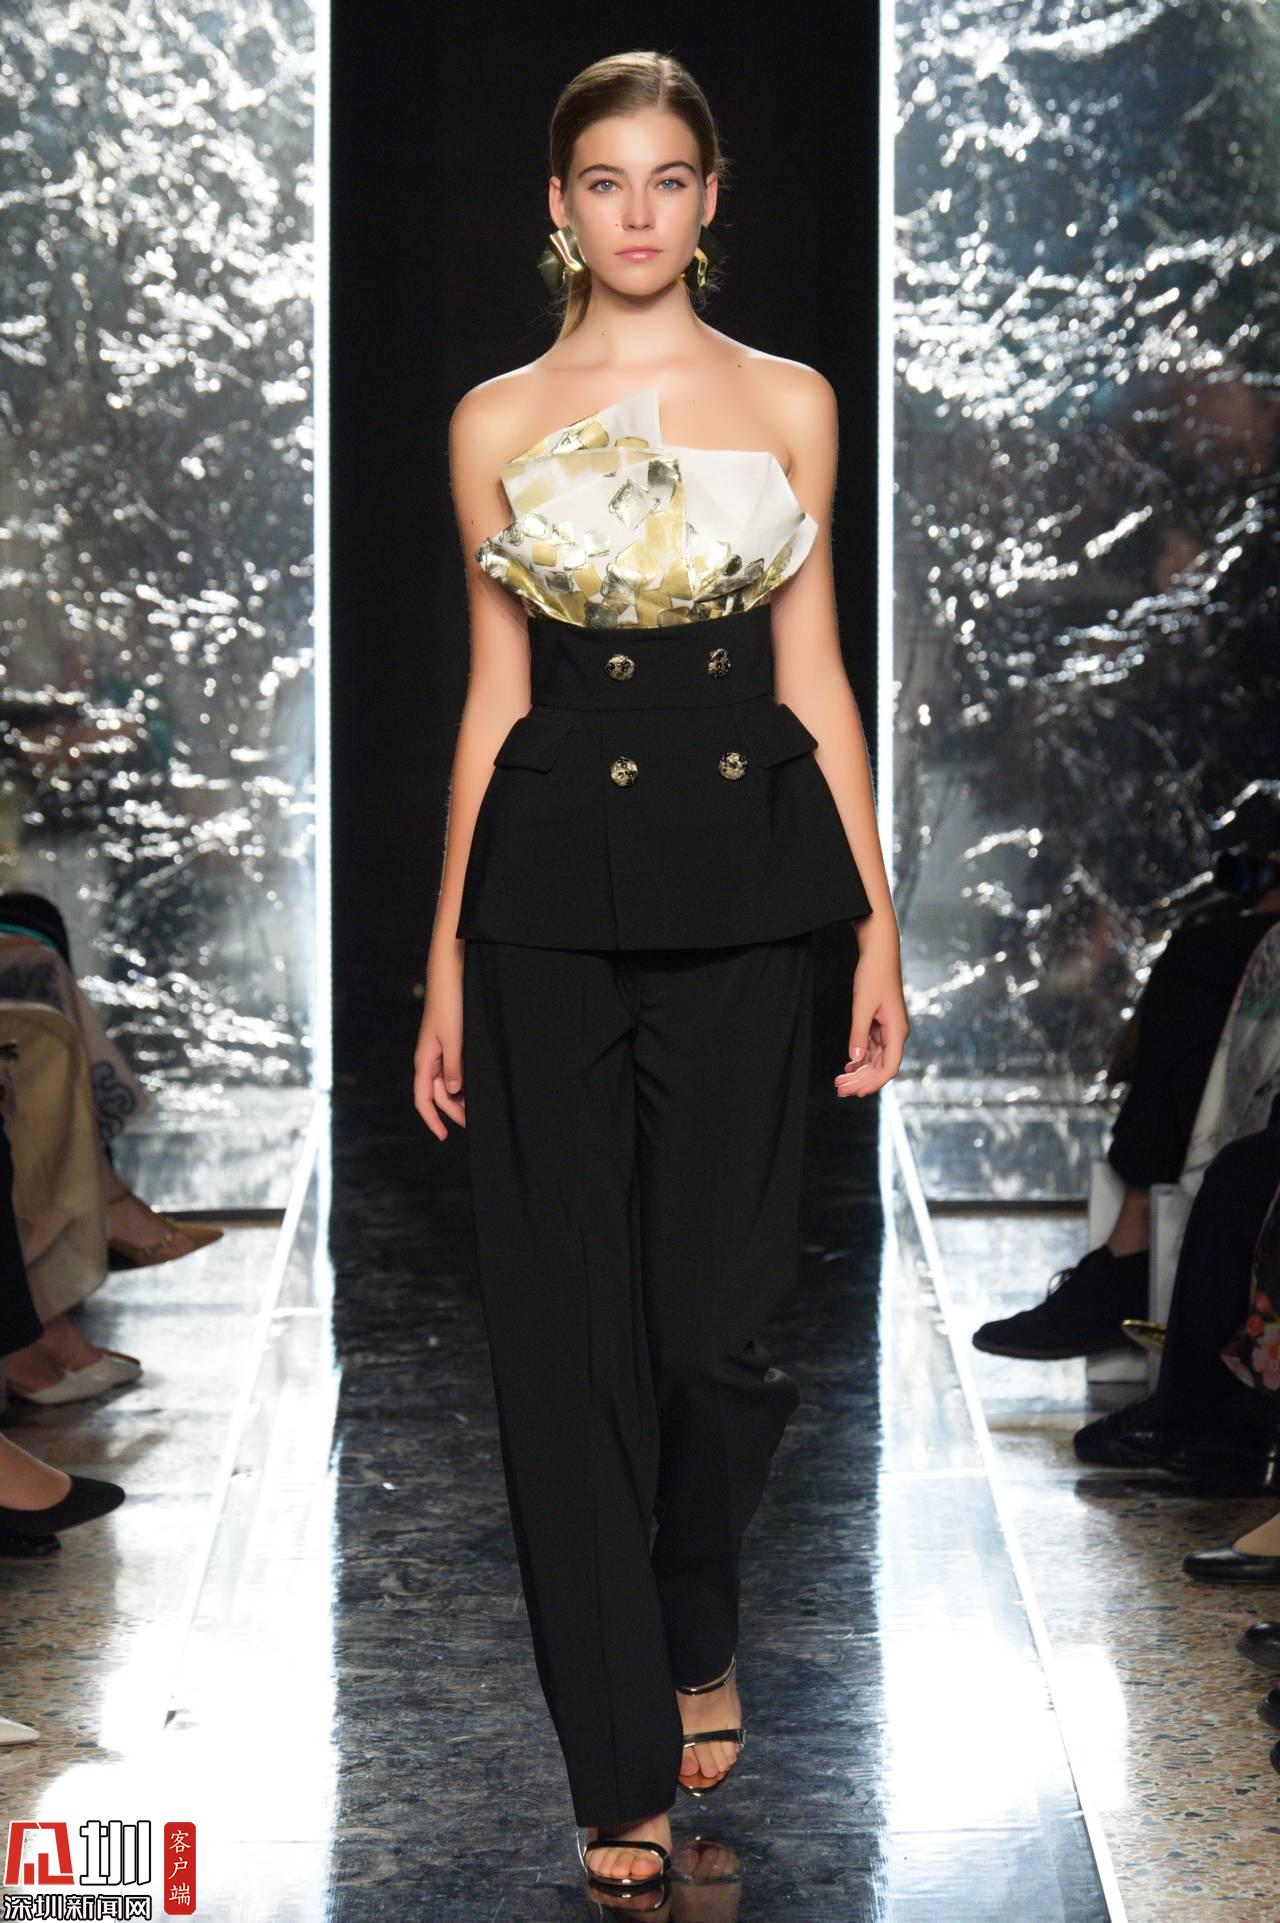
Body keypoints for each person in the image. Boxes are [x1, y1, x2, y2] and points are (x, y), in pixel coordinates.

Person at [411, 50, 908, 1900]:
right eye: (605, 180)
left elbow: (814, 669)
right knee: (562, 1348)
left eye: (670, 178)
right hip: (544, 891)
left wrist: (876, 919)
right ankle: (616, 1762)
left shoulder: (788, 401)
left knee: (716, 1333)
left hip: (750, 885)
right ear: (559, 206)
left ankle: (694, 1603)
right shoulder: (492, 418)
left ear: (710, 200)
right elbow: (493, 699)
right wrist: (444, 963)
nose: (638, 211)